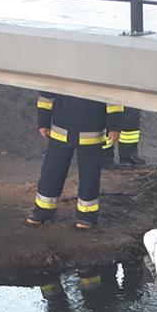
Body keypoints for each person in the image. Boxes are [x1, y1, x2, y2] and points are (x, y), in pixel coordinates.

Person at [27, 93, 116, 230]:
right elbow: (46, 95)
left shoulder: (102, 73)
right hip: (60, 131)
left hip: (91, 133)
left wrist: (114, 127)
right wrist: (43, 122)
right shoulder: (63, 71)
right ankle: (42, 212)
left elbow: (114, 101)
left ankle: (86, 217)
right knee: (51, 172)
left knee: (89, 176)